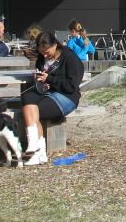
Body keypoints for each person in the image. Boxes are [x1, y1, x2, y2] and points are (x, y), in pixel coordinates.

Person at [21, 31, 83, 166]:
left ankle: (37, 150)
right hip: (48, 93)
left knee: (36, 111)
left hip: (67, 96)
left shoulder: (69, 57)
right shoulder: (41, 59)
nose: (45, 55)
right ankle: (36, 148)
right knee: (27, 98)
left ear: (55, 45)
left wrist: (49, 78)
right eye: (42, 52)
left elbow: (71, 86)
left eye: (47, 52)